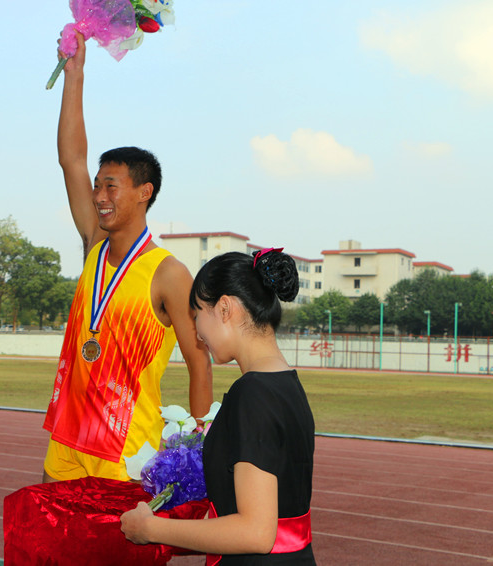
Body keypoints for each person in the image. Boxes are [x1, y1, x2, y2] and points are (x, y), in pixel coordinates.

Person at [42, 34, 213, 483]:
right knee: (51, 547)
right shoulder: (93, 243)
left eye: (110, 186)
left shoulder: (169, 274)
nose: (98, 196)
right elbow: (71, 159)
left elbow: (200, 361)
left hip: (126, 451)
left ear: (144, 192)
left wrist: (196, 444)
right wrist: (74, 74)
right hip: (67, 436)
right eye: (97, 185)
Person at [120, 249, 316, 565]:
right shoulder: (288, 385)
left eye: (197, 314)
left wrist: (152, 528)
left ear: (224, 308)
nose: (196, 332)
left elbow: (255, 532)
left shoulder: (251, 394)